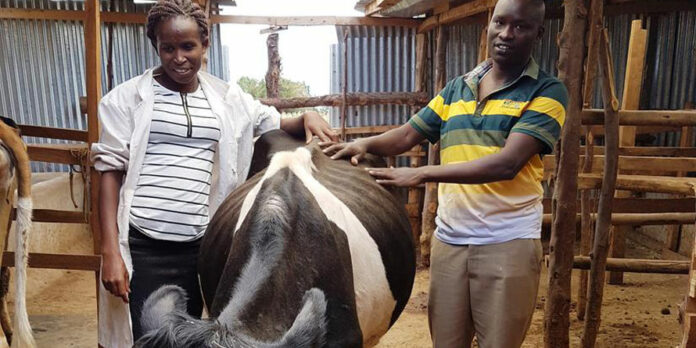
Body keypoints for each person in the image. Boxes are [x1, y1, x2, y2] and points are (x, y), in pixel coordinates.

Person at [91, 0, 337, 346]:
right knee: (149, 337)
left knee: (196, 335)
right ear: (156, 47)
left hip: (202, 245)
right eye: (168, 48)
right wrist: (110, 253)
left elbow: (272, 120)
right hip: (144, 243)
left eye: (188, 46)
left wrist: (307, 117)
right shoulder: (126, 100)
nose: (179, 57)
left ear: (205, 44)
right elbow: (109, 172)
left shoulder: (226, 97)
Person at [322, 0, 566, 347]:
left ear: (538, 33)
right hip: (451, 242)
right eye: (501, 22)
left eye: (521, 26)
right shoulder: (458, 88)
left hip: (506, 242)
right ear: (489, 25)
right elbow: (409, 134)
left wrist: (423, 174)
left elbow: (507, 163)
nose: (507, 34)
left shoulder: (547, 91)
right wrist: (364, 145)